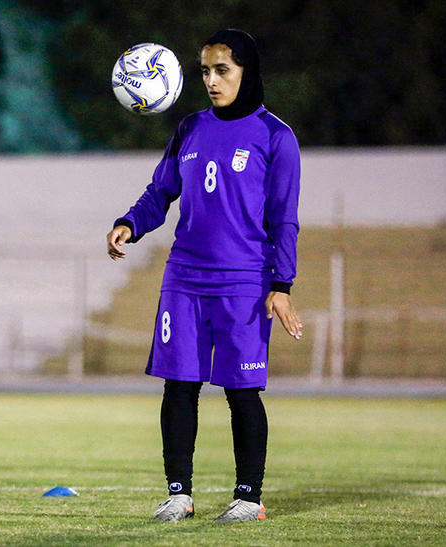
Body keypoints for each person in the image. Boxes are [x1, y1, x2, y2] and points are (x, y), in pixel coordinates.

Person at [106, 29, 302, 523]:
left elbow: (284, 219)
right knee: (179, 385)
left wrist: (281, 285)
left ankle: (248, 498)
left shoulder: (276, 136)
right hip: (184, 278)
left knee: (241, 391)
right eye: (205, 72)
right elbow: (160, 191)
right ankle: (178, 494)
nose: (212, 81)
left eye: (222, 70)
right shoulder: (190, 129)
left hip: (244, 282)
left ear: (247, 72)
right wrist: (129, 222)